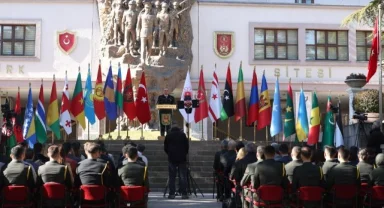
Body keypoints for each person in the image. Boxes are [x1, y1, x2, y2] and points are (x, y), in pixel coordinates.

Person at [164, 126, 189, 199]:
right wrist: (184, 153)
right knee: (183, 177)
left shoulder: (168, 136)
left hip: (172, 158)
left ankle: (172, 194)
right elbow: (187, 146)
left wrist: (169, 153)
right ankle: (184, 193)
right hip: (182, 158)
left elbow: (165, 147)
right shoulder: (183, 135)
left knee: (172, 177)